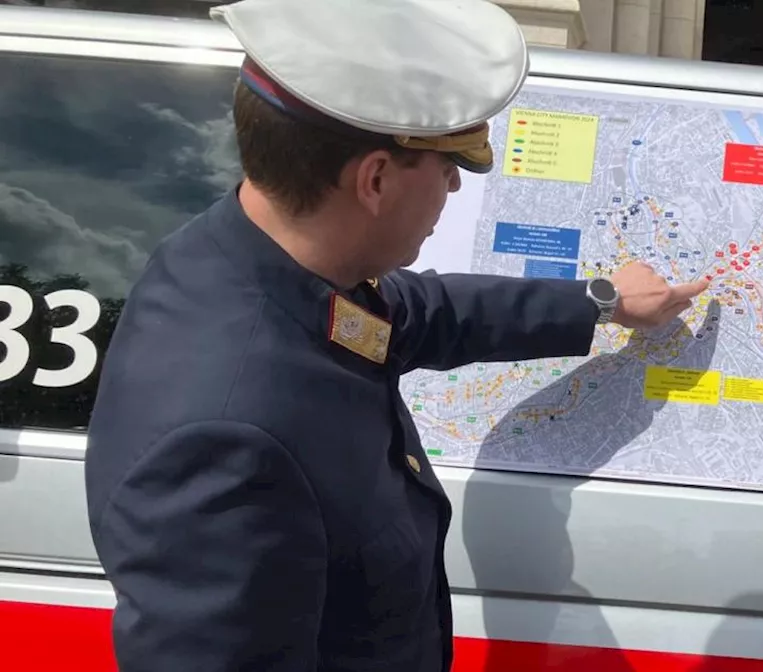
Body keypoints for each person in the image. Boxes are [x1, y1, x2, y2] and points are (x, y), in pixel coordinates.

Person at [83, 0, 710, 670]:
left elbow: (417, 313)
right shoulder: (228, 439)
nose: (449, 187)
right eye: (448, 168)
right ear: (375, 180)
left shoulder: (259, 258)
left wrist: (604, 301)